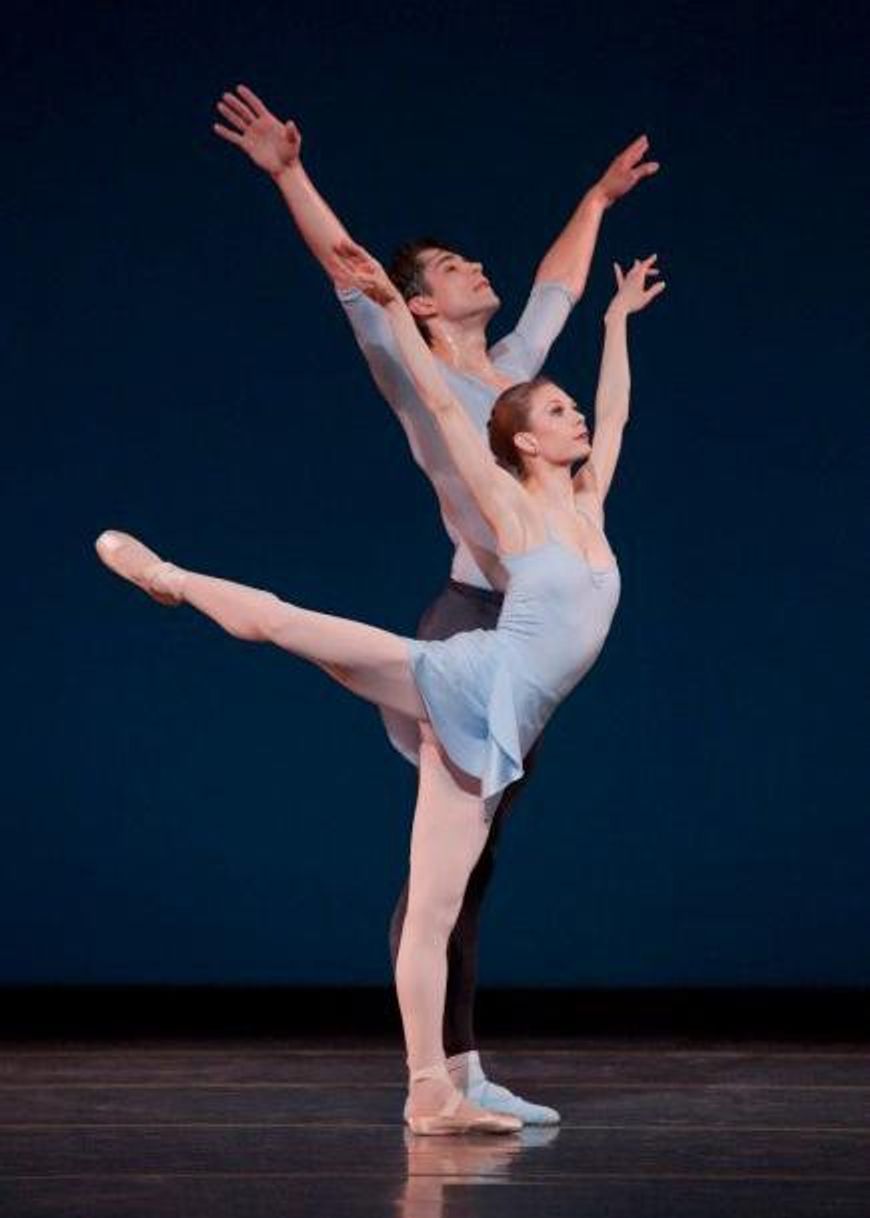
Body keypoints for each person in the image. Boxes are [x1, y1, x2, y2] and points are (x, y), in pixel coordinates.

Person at [95, 244, 664, 1133]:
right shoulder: (510, 510)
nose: (576, 412)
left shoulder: (587, 507)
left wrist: (617, 324)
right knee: (293, 626)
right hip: (468, 680)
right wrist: (394, 314)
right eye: (559, 407)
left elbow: (621, 415)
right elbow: (440, 400)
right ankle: (171, 577)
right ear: (524, 441)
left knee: (436, 902)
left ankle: (431, 1091)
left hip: (502, 721)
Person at [213, 85, 659, 1124]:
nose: (476, 269)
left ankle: (458, 1069)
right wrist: (289, 174)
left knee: (475, 862)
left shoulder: (513, 383)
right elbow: (354, 274)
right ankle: (437, 1074)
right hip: (471, 623)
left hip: (527, 632)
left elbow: (555, 286)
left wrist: (594, 199)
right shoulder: (408, 364)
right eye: (453, 268)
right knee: (440, 868)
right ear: (421, 304)